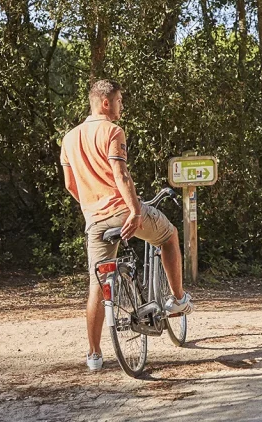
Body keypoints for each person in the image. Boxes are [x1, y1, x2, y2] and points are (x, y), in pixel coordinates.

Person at [60, 79, 194, 372]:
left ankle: (94, 355)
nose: (122, 105)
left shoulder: (69, 138)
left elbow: (71, 184)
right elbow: (121, 175)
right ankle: (178, 299)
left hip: (94, 220)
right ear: (106, 102)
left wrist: (91, 205)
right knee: (169, 236)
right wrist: (134, 210)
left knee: (97, 284)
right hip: (122, 211)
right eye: (120, 100)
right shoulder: (112, 131)